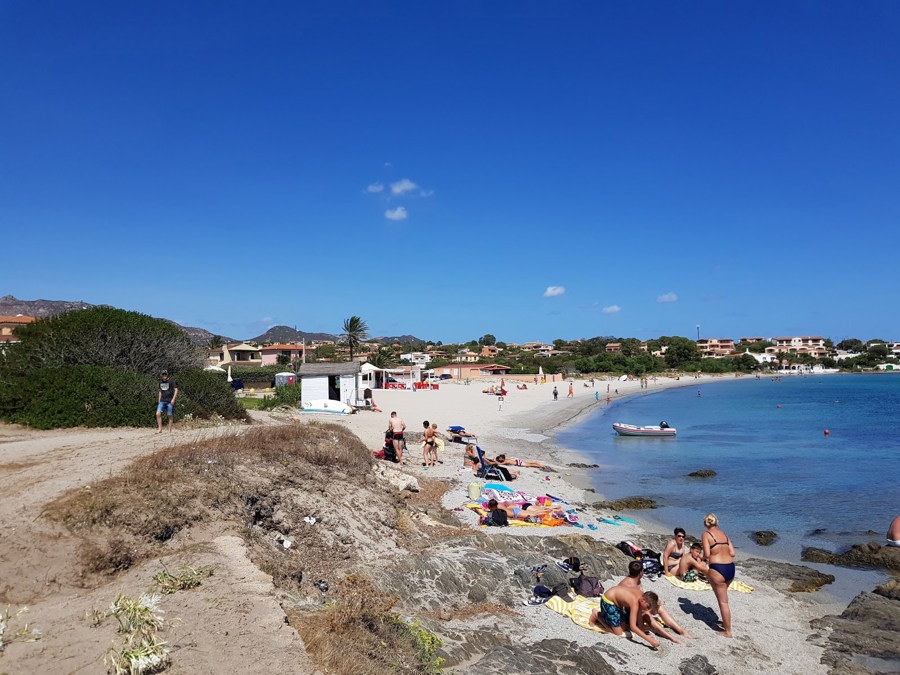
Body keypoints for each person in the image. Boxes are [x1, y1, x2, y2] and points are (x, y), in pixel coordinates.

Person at [618, 561, 692, 640]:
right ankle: (671, 637)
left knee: (659, 606)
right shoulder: (626, 585)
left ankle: (681, 631)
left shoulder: (635, 579)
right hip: (631, 613)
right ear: (641, 572)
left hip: (639, 607)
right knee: (647, 613)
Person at [588, 585, 661, 649]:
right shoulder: (635, 603)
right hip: (608, 602)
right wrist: (649, 640)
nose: (647, 610)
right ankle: (597, 615)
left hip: (616, 604)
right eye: (647, 607)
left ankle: (604, 617)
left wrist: (642, 631)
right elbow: (633, 627)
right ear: (643, 601)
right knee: (618, 633)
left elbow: (639, 614)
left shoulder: (641, 596)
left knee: (624, 628)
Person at [702, 513, 736, 638]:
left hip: (718, 569)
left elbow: (706, 553)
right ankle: (724, 622)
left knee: (723, 602)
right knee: (724, 599)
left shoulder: (706, 535)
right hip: (730, 568)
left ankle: (728, 631)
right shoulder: (724, 535)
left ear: (706, 523)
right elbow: (732, 553)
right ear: (716, 522)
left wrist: (704, 558)